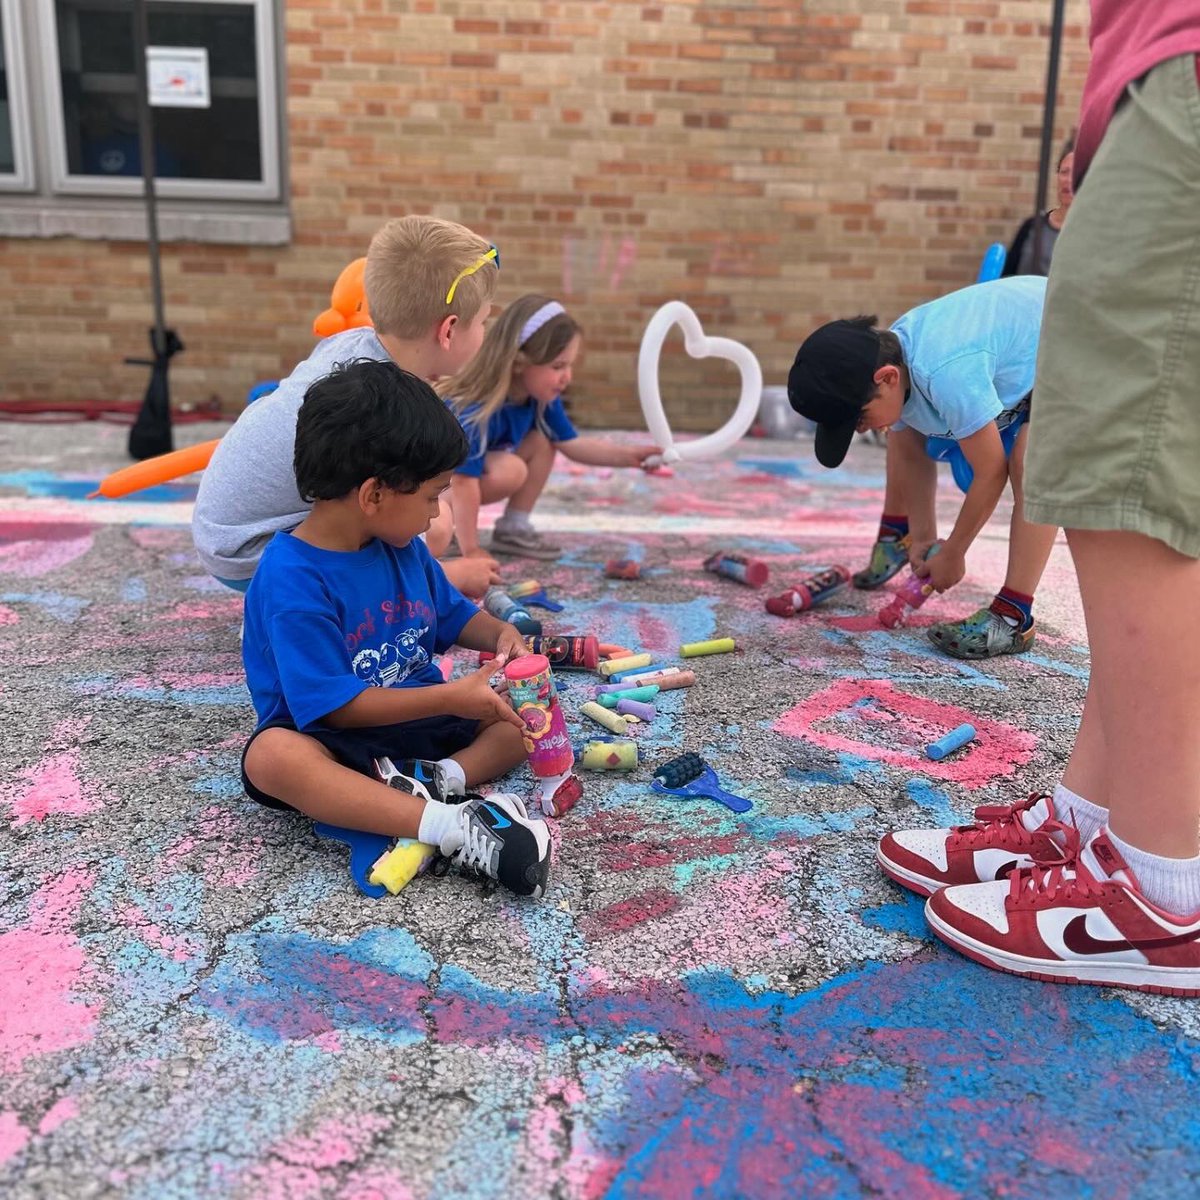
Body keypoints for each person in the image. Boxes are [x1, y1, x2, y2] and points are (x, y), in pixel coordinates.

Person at [880, 7, 1200, 994]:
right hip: (1156, 73)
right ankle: (1096, 823)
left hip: (1179, 68)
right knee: (1125, 467)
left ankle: (1164, 894)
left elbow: (999, 471)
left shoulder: (940, 359)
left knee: (1128, 470)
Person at [240, 358, 552, 899]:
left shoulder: (401, 547)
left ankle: (439, 781)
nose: (435, 513)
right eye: (431, 496)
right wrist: (452, 697)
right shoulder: (292, 578)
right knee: (271, 758)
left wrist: (499, 633)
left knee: (523, 719)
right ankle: (449, 826)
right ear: (373, 495)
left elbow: (455, 616)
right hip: (334, 741)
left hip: (422, 728)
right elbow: (336, 708)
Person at [192, 214, 503, 598]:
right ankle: (305, 597)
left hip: (226, 535)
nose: (484, 331)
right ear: (449, 330)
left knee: (428, 511)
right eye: (483, 321)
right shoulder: (380, 403)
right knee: (430, 524)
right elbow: (389, 514)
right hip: (251, 555)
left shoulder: (354, 343)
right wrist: (446, 580)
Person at [788, 276, 1058, 658]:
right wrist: (924, 540)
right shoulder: (894, 359)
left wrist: (955, 551)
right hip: (1032, 346)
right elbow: (910, 452)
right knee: (901, 435)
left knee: (1032, 462)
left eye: (859, 418)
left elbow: (990, 471)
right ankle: (904, 540)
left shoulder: (946, 371)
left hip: (1074, 335)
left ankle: (1013, 616)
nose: (861, 430)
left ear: (887, 378)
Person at [437, 295, 660, 560]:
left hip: (453, 483)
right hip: (426, 490)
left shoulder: (540, 398)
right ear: (519, 363)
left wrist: (629, 456)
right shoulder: (475, 411)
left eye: (569, 365)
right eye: (558, 366)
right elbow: (463, 481)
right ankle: (441, 527)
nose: (567, 377)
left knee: (541, 442)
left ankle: (514, 527)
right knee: (510, 470)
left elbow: (572, 444)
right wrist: (472, 550)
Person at [1001, 143, 1075, 278]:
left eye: (1076, 173)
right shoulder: (1032, 227)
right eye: (1064, 172)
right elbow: (1007, 277)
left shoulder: (1094, 233)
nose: (1068, 180)